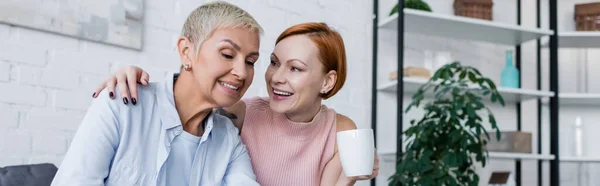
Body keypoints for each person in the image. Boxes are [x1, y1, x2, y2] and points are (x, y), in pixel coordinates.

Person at [94, 23, 379, 186]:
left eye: (295, 69)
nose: (276, 78)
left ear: (327, 82)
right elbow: (185, 104)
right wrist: (137, 80)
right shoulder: (241, 113)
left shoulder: (342, 131)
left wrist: (350, 177)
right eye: (273, 63)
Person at [51, 2, 262, 185]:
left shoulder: (227, 138)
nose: (242, 72)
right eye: (227, 54)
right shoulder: (121, 105)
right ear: (186, 52)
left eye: (250, 61)